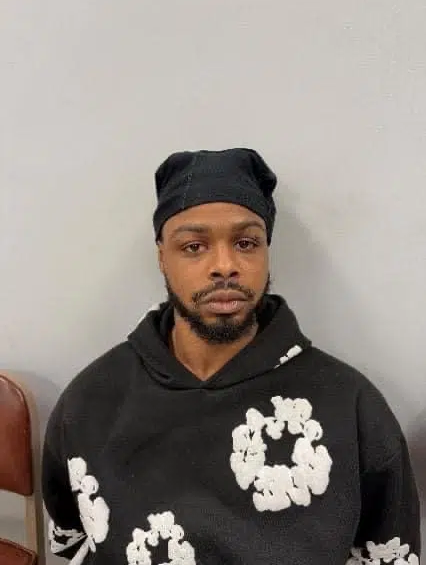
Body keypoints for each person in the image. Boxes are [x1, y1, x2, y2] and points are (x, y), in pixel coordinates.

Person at [42, 148, 421, 565]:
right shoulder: (90, 402)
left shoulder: (350, 408)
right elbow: (73, 541)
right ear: (162, 257)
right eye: (194, 246)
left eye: (245, 243)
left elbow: (389, 554)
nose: (224, 266)